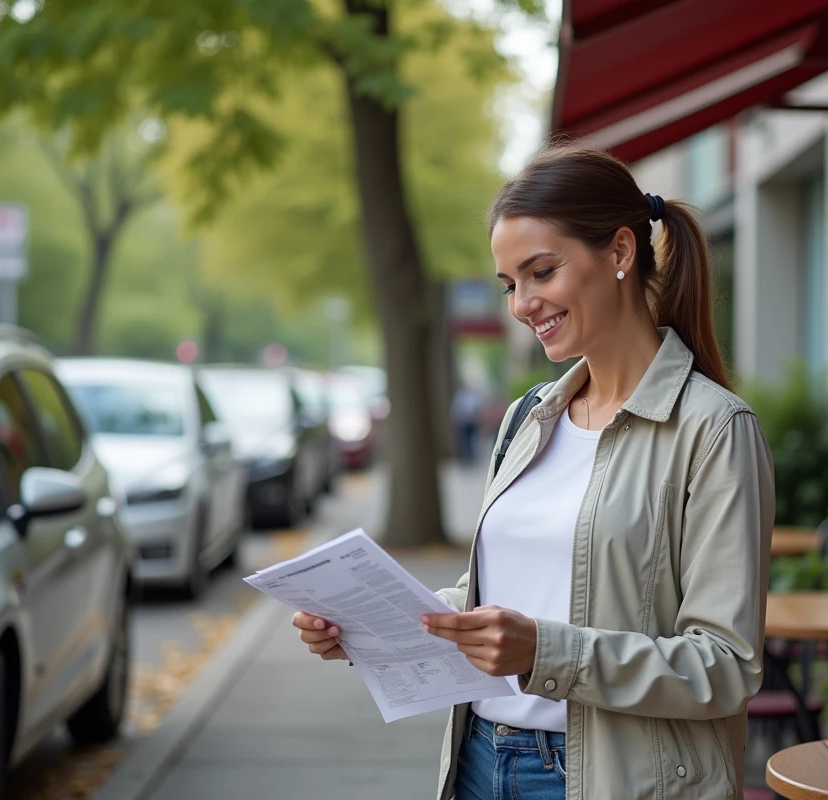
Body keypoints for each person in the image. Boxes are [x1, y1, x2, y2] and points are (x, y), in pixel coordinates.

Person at [292, 143, 775, 800]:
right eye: (510, 284)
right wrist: (373, 630)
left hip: (610, 778)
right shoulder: (528, 418)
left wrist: (544, 654)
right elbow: (497, 596)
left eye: (541, 272)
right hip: (478, 761)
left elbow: (725, 667)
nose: (522, 304)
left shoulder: (712, 429)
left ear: (621, 254)